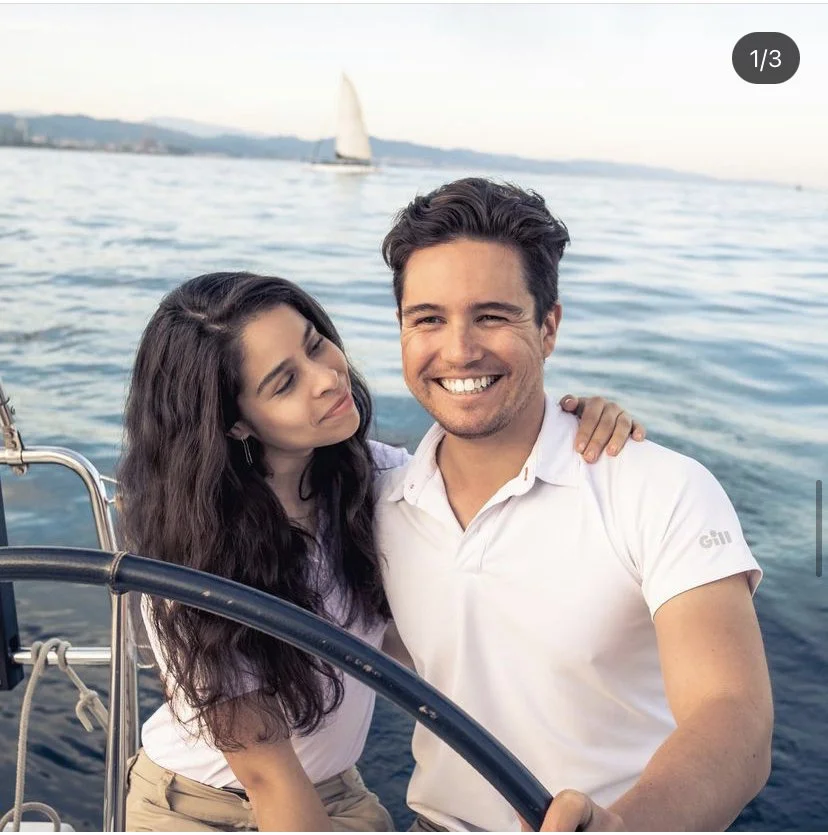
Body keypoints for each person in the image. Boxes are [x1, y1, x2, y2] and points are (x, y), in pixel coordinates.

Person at [117, 271, 643, 831]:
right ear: (235, 422)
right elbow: (270, 781)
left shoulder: (378, 480)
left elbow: (508, 497)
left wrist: (574, 427)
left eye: (316, 345)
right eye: (285, 383)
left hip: (335, 791)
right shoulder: (194, 562)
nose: (327, 379)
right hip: (195, 807)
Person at [375, 178, 773, 832]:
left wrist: (623, 825)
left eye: (493, 315)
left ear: (549, 327)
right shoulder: (378, 498)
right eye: (428, 319)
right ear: (401, 330)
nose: (459, 350)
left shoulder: (660, 488)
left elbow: (734, 717)